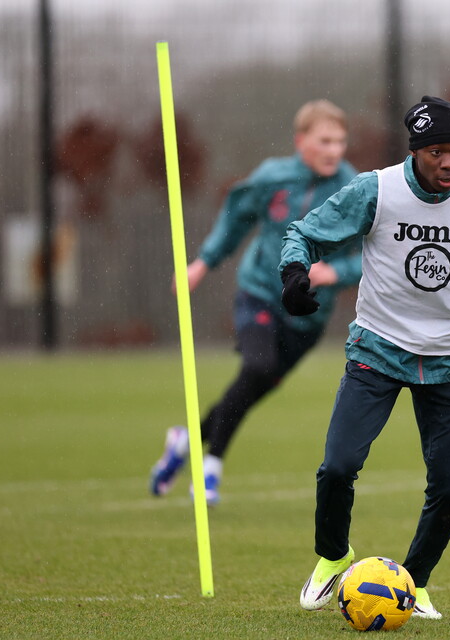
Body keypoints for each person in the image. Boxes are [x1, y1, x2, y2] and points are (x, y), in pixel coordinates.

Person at [279, 96, 450, 619]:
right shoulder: (377, 190)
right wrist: (295, 275)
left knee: (447, 490)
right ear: (416, 150)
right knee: (337, 468)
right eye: (438, 151)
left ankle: (411, 584)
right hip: (377, 349)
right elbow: (304, 234)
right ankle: (332, 558)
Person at [149, 100, 361, 507]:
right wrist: (202, 263)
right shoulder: (272, 177)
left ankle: (186, 441)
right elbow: (236, 218)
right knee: (258, 366)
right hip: (260, 292)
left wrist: (336, 273)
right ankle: (211, 465)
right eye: (324, 141)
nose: (334, 150)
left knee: (249, 390)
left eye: (340, 141)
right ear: (301, 142)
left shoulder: (355, 189)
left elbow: (375, 249)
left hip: (307, 318)